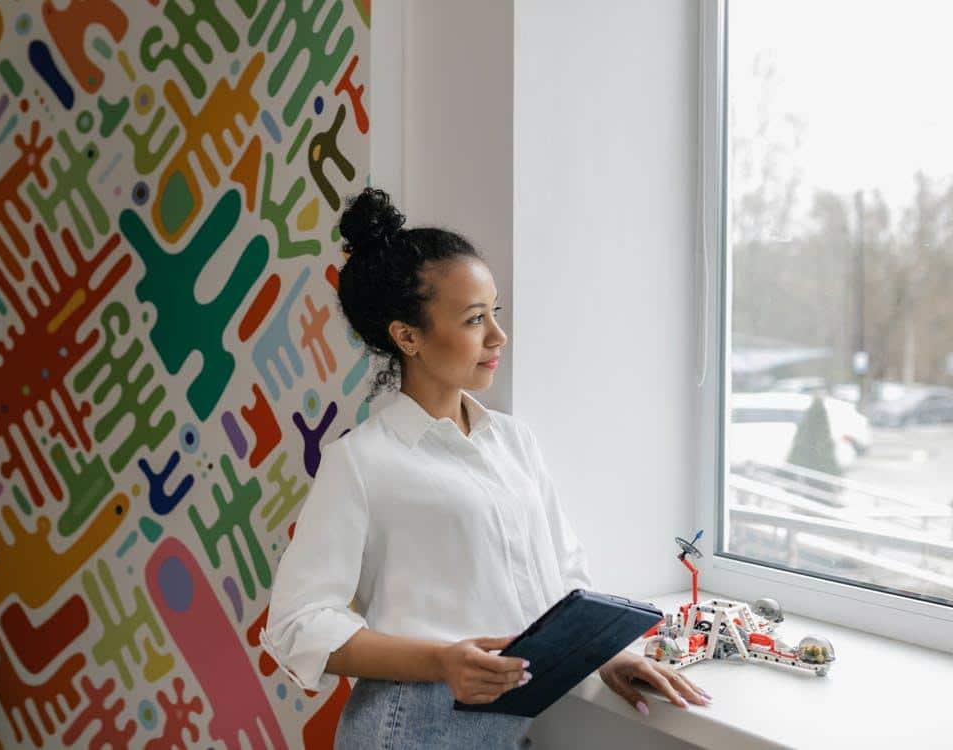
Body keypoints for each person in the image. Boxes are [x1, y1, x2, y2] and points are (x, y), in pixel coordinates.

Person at [258, 188, 710, 748]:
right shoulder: (362, 462)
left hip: (510, 724)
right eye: (475, 319)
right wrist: (442, 660)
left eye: (494, 312)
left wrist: (605, 657)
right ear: (408, 336)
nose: (498, 336)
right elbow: (297, 622)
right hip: (410, 726)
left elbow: (561, 578)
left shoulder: (514, 441)